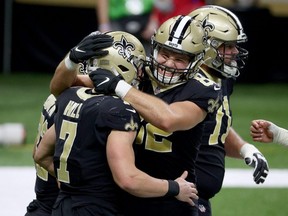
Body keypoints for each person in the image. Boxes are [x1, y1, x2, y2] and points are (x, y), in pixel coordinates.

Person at [34, 31, 198, 216]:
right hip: (99, 209)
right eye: (138, 66)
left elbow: (40, 154)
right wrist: (174, 187)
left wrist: (75, 183)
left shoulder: (70, 96)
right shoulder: (120, 110)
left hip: (63, 205)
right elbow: (128, 179)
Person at [88, 15, 222, 216]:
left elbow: (168, 120)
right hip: (124, 193)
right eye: (164, 54)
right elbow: (63, 87)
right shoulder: (136, 72)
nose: (169, 63)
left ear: (196, 61)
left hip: (174, 197)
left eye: (180, 59)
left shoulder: (203, 89)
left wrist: (120, 86)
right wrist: (72, 60)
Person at [188, 5, 269, 215]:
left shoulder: (218, 78)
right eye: (228, 46)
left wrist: (245, 149)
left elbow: (215, 124)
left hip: (197, 197)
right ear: (205, 45)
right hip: (177, 195)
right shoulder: (185, 85)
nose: (234, 52)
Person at [25, 94, 59, 216]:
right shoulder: (82, 106)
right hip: (59, 206)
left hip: (42, 203)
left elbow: (36, 151)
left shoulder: (53, 98)